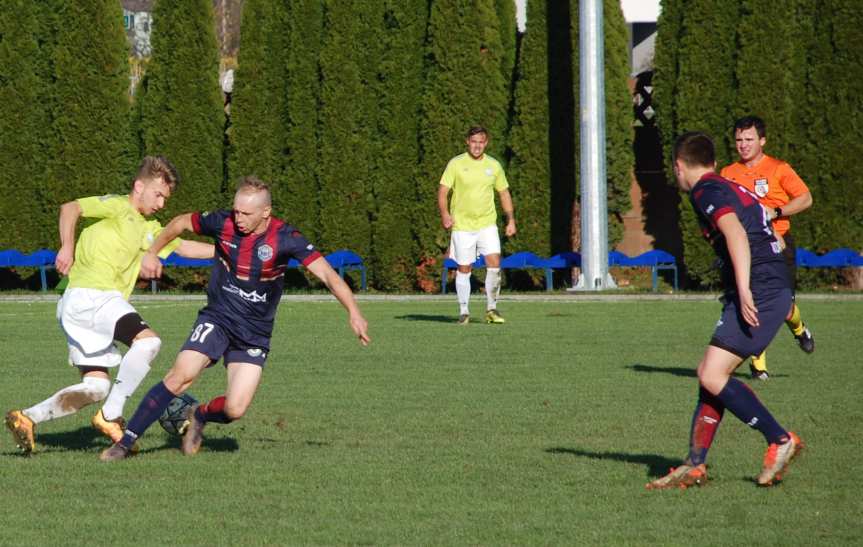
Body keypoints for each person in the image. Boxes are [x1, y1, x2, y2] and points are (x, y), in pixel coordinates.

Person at [100, 176, 370, 461]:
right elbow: (180, 222)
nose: (238, 218)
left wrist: (354, 311)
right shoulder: (222, 222)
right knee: (181, 376)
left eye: (246, 213)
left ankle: (199, 414)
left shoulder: (286, 238)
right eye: (236, 211)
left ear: (266, 212)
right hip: (218, 318)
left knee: (235, 409)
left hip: (254, 332)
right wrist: (152, 252)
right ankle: (125, 443)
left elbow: (328, 274)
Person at [4, 156, 213, 454]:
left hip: (80, 307)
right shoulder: (117, 206)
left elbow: (184, 247)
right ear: (139, 186)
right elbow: (70, 208)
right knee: (149, 343)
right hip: (92, 296)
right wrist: (66, 245)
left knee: (97, 388)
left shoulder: (148, 229)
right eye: (158, 194)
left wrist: (229, 251)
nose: (161, 204)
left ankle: (26, 418)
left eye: (166, 198)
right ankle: (111, 416)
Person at [646, 132, 803, 489]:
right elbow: (766, 230)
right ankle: (695, 464)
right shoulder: (728, 185)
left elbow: (735, 233)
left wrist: (746, 288)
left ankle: (779, 439)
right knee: (710, 375)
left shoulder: (705, 190)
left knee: (713, 375)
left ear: (679, 166)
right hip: (767, 285)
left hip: (760, 291)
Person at [720, 115, 815, 380]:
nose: (743, 144)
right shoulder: (728, 174)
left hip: (779, 243)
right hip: (748, 246)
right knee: (753, 302)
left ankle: (799, 329)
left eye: (749, 139)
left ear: (762, 140)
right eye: (739, 139)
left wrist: (775, 212)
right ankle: (758, 364)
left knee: (784, 307)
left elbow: (805, 198)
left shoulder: (778, 168)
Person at [438, 126, 516, 325]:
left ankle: (492, 309)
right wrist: (445, 214)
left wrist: (510, 219)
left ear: (486, 143)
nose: (477, 146)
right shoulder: (456, 164)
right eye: (474, 142)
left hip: (487, 224)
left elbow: (504, 193)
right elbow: (442, 191)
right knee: (464, 268)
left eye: (481, 142)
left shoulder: (494, 165)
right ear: (468, 142)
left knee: (494, 263)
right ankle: (464, 311)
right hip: (463, 226)